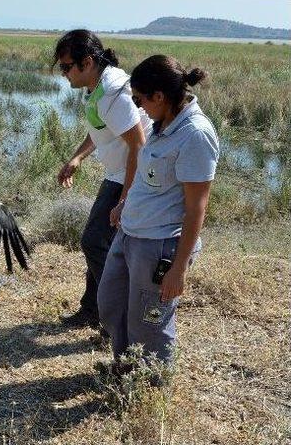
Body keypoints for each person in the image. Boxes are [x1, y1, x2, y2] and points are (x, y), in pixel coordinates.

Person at [97, 55, 219, 365]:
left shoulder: (195, 135)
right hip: (129, 233)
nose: (138, 106)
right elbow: (147, 173)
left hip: (160, 247)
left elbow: (196, 209)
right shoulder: (161, 123)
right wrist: (124, 204)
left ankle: (150, 385)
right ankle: (126, 368)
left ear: (159, 96)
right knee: (111, 305)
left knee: (150, 323)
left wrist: (178, 268)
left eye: (140, 99)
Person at [54, 30, 151, 329]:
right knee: (100, 242)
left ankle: (118, 317)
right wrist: (77, 157)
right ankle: (94, 309)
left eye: (66, 67)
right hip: (118, 173)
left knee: (94, 242)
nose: (64, 74)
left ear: (87, 62)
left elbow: (139, 145)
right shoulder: (97, 88)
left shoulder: (112, 94)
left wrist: (125, 199)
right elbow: (101, 129)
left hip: (130, 176)